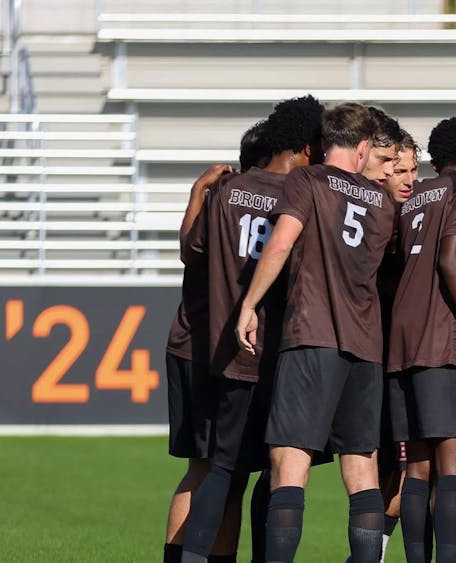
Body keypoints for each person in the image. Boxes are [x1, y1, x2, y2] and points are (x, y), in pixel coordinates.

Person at [235, 103, 395, 563]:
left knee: (289, 465)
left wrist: (249, 304)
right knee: (362, 471)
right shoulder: (382, 201)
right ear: (364, 147)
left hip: (312, 334)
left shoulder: (307, 181)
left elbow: (282, 241)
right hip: (366, 346)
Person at [179, 97, 325, 563]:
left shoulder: (229, 191)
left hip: (227, 348)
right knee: (275, 472)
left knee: (222, 469)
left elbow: (194, 250)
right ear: (306, 146)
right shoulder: (304, 195)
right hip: (280, 353)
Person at [387, 117, 456, 563]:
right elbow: (453, 259)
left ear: (433, 159)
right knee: (454, 467)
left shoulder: (414, 197)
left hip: (402, 342)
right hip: (444, 340)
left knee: (416, 467)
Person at [163, 161, 233, 563]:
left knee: (217, 471)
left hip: (201, 348)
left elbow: (188, 247)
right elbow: (189, 250)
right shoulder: (234, 209)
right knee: (210, 468)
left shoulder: (220, 206)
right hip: (204, 351)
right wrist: (197, 193)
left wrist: (197, 193)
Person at [374, 129, 420, 563]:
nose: (408, 179)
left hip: (401, 358)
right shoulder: (378, 220)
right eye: (399, 169)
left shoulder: (414, 216)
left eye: (413, 170)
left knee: (405, 473)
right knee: (397, 474)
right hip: (380, 360)